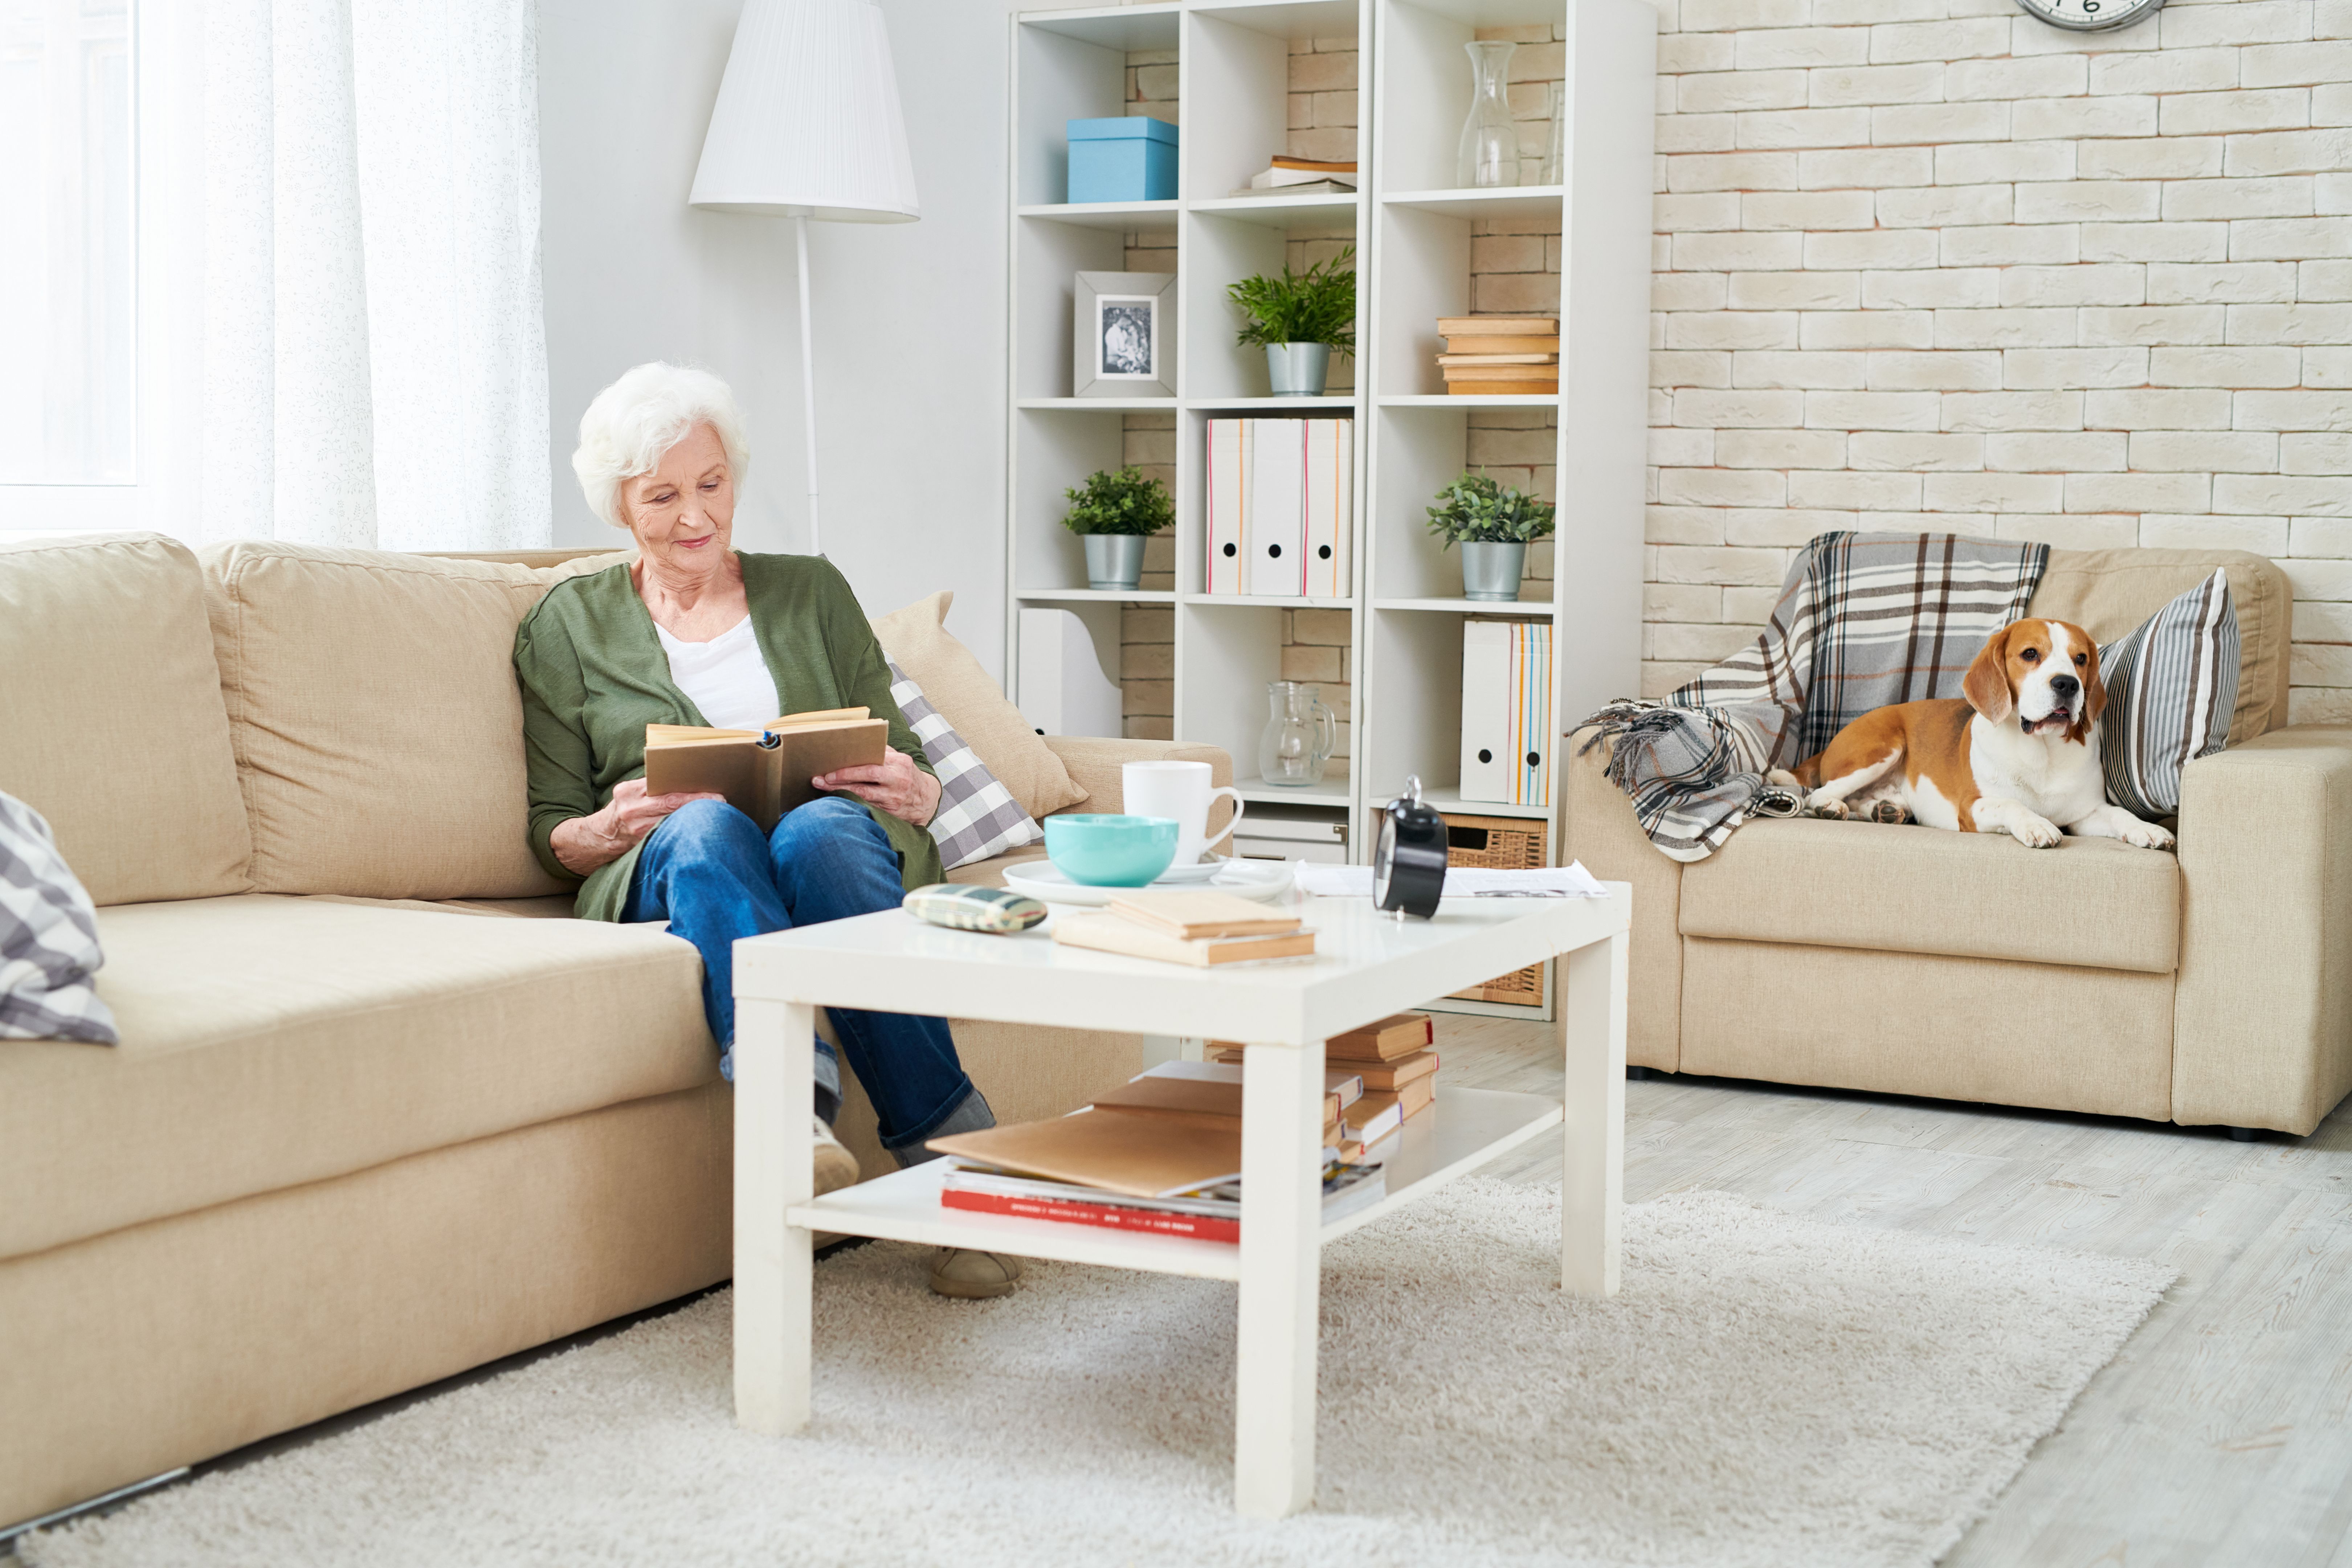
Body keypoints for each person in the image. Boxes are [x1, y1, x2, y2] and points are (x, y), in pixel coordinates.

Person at [513, 361, 1020, 1301]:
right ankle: (803, 1118)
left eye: (712, 485)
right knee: (707, 821)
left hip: (832, 838)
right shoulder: (564, 625)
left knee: (821, 836)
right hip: (676, 854)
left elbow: (905, 756)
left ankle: (953, 1172)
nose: (695, 515)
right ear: (619, 505)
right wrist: (604, 826)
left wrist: (912, 786)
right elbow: (554, 828)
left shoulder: (812, 589)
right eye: (663, 495)